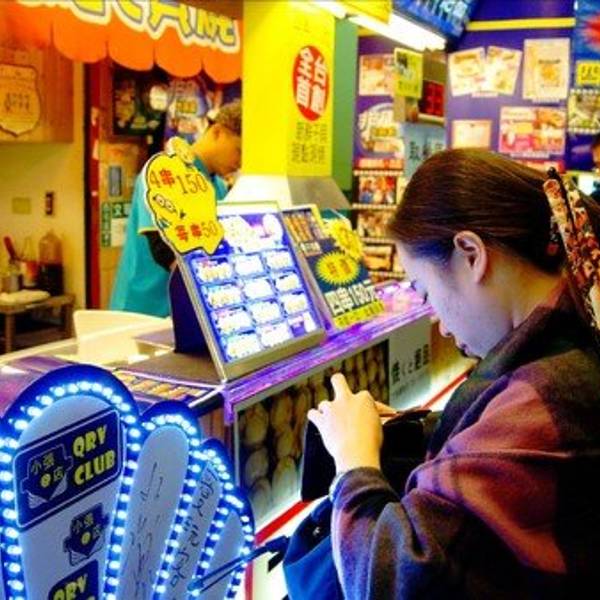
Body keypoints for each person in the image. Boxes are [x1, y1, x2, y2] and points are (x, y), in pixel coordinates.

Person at [307, 149, 600, 598]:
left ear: (470, 254)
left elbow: (396, 579)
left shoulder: (548, 393)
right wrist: (421, 429)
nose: (441, 325)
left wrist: (354, 463)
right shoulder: (574, 334)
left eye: (426, 291)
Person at [110, 99, 242, 317]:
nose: (240, 161)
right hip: (142, 309)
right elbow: (162, 247)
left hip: (181, 311)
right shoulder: (165, 170)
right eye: (239, 150)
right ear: (218, 132)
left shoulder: (218, 186)